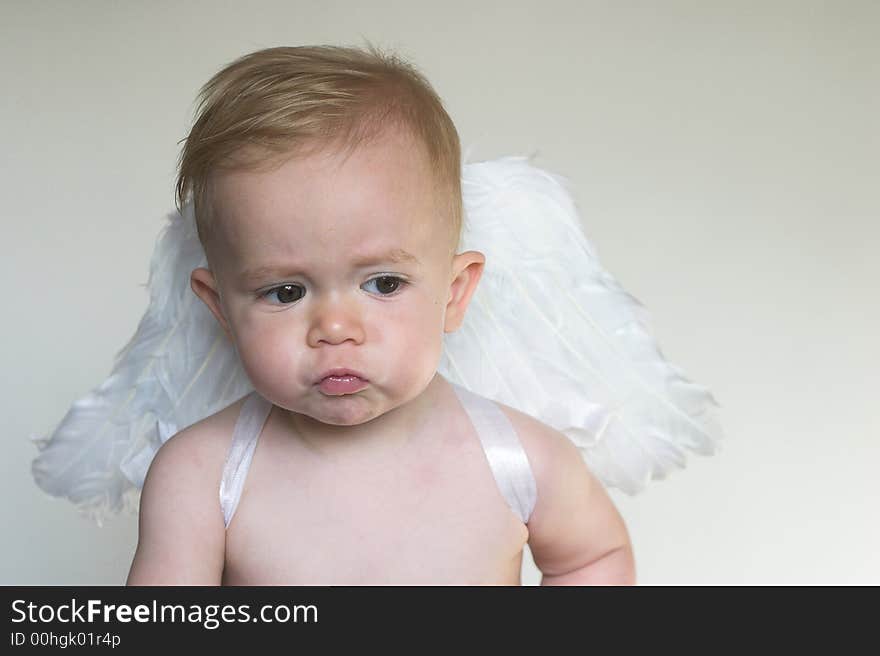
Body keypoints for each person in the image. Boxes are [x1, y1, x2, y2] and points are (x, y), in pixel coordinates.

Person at [125, 44, 636, 585]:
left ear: (455, 292)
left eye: (383, 283)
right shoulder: (204, 476)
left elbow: (592, 557)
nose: (335, 329)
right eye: (285, 292)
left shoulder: (519, 460)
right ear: (221, 309)